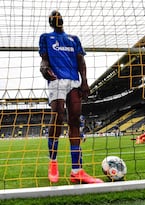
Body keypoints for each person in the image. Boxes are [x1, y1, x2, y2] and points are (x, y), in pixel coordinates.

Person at [39, 10, 103, 184]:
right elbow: (44, 59)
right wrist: (43, 68)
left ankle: (77, 171)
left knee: (74, 121)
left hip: (74, 82)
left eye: (58, 16)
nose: (56, 18)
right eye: (53, 17)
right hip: (56, 80)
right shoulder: (45, 37)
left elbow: (81, 61)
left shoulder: (74, 39)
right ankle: (53, 162)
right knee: (57, 117)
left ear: (62, 20)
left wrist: (85, 82)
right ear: (51, 23)